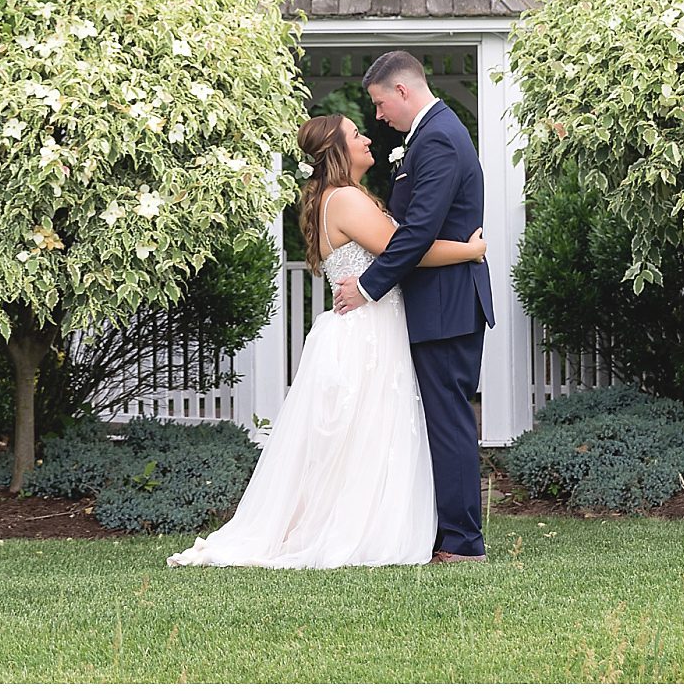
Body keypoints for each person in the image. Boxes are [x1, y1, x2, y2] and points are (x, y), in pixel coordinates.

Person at [166, 112, 485, 568]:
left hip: (371, 323)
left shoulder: (337, 197)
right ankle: (354, 530)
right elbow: (406, 251)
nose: (367, 136)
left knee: (367, 435)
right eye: (356, 134)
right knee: (368, 432)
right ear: (338, 150)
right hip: (369, 331)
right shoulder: (348, 201)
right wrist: (470, 250)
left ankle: (377, 522)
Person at [332, 50, 493, 563]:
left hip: (446, 305)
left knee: (448, 422)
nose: (377, 116)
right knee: (442, 420)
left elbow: (419, 231)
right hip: (437, 303)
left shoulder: (440, 138)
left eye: (379, 104)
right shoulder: (427, 137)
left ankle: (464, 544)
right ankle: (446, 533)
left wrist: (369, 286)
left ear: (402, 91)